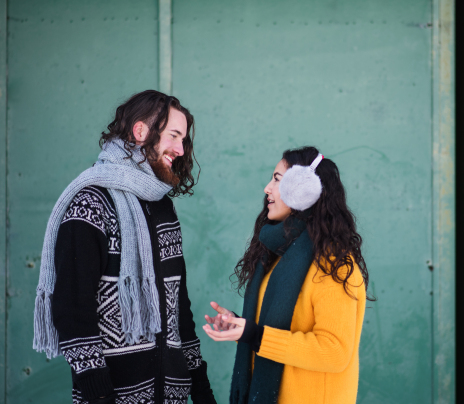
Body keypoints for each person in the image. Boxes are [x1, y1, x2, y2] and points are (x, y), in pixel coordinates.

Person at [33, 90, 216, 404]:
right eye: (174, 136)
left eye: (184, 140)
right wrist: (97, 392)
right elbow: (72, 307)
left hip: (171, 396)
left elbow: (177, 309)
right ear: (141, 131)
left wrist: (200, 387)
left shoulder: (163, 209)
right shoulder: (91, 204)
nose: (181, 149)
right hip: (111, 395)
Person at [203, 146, 372, 404]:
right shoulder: (277, 258)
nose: (267, 188)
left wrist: (255, 335)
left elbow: (335, 352)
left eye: (277, 180)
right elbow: (274, 333)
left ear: (303, 189)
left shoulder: (333, 265)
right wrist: (240, 327)